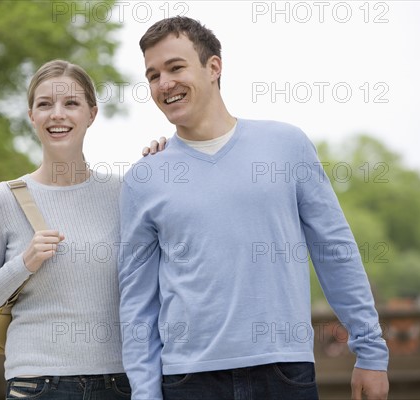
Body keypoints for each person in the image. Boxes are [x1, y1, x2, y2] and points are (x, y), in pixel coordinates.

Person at [117, 17, 389, 400]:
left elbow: (335, 251)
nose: (164, 84)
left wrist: (371, 352)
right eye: (153, 75)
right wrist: (144, 393)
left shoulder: (286, 145)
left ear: (214, 67)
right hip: (188, 381)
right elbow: (137, 301)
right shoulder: (144, 178)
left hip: (283, 373)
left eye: (176, 67)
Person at [0, 60, 163, 400]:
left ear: (92, 114)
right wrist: (24, 263)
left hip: (119, 383)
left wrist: (165, 167)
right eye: (45, 104)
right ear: (31, 115)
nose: (58, 114)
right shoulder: (2, 200)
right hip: (37, 385)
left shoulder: (125, 193)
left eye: (71, 103)